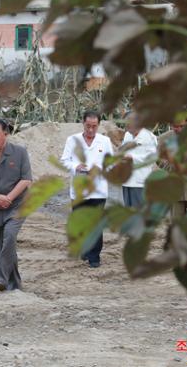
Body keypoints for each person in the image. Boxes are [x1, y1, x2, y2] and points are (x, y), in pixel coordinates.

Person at [0, 118, 32, 291]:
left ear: (6, 134)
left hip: (18, 204)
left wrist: (8, 198)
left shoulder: (19, 153)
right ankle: (14, 283)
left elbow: (26, 179)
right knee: (4, 243)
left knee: (9, 236)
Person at [60, 110, 114, 268]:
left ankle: (94, 256)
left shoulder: (104, 141)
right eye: (88, 126)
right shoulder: (72, 140)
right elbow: (64, 161)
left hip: (98, 189)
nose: (90, 130)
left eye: (94, 126)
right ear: (83, 123)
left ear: (99, 125)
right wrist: (76, 166)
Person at [121, 112, 158, 208]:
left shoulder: (149, 137)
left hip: (140, 183)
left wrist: (132, 158)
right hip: (127, 181)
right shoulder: (127, 135)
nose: (126, 125)